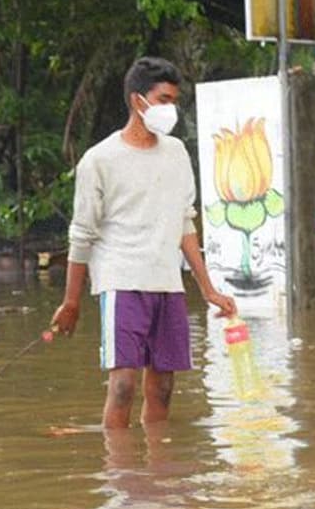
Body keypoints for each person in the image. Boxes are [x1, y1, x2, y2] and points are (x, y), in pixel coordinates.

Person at [51, 56, 237, 430]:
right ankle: (121, 479)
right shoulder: (98, 160)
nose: (171, 109)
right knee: (122, 385)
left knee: (164, 387)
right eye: (164, 99)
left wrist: (208, 288)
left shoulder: (176, 154)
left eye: (174, 100)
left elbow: (185, 223)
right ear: (139, 101)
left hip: (167, 283)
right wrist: (71, 302)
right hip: (121, 281)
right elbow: (81, 234)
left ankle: (157, 474)